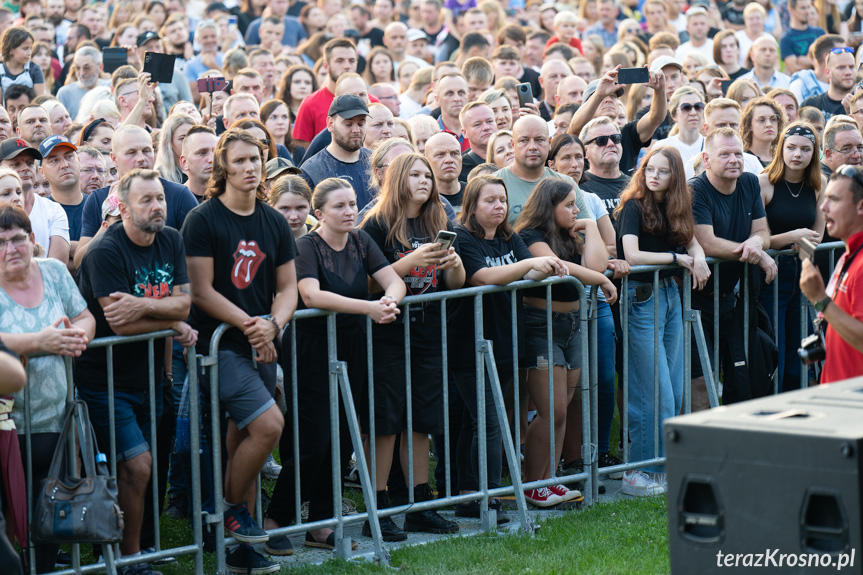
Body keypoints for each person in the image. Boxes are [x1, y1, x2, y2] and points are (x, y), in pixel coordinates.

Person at [264, 177, 404, 554]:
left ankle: (321, 524)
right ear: (319, 213)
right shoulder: (306, 246)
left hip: (354, 345)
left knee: (343, 438)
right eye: (340, 206)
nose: (349, 211)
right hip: (311, 348)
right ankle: (275, 518)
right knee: (313, 441)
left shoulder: (361, 240)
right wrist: (371, 308)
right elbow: (311, 294)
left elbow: (393, 280)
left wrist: (389, 300)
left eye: (353, 203)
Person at [181, 129, 297, 573]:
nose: (252, 167)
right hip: (221, 347)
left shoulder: (272, 220)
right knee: (269, 427)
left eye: (258, 159)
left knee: (242, 442)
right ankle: (232, 508)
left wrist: (272, 324)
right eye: (242, 160)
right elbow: (201, 290)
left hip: (263, 344)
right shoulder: (204, 219)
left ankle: (240, 550)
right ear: (223, 167)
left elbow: (287, 289)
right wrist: (249, 325)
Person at [75, 168, 196, 575]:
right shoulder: (103, 252)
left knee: (143, 467)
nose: (157, 206)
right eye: (146, 200)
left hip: (147, 376)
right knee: (136, 465)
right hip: (101, 380)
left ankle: (134, 548)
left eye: (160, 197)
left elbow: (183, 305)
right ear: (122, 208)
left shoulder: (172, 240)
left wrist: (148, 307)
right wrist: (171, 320)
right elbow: (119, 324)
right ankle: (128, 559)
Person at [361, 152, 464, 538]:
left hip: (427, 332)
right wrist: (412, 259)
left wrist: (451, 262)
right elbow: (369, 284)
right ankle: (380, 504)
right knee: (385, 422)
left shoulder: (436, 219)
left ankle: (420, 503)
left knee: (423, 419)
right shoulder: (375, 224)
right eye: (416, 174)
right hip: (388, 334)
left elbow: (456, 284)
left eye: (428, 175)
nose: (424, 181)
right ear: (398, 179)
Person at [451, 174, 568, 508]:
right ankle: (485, 496)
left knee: (477, 422)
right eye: (490, 200)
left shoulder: (508, 236)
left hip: (505, 342)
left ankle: (468, 493)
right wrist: (531, 263)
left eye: (502, 200)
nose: (499, 206)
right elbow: (482, 277)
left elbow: (526, 275)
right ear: (471, 206)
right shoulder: (463, 237)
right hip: (471, 343)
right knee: (488, 422)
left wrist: (542, 268)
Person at [0, 199, 94, 574]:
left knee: (51, 511)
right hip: (8, 428)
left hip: (57, 421)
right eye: (1, 241)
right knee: (10, 516)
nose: (11, 248)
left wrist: (78, 337)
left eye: (18, 238)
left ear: (33, 239)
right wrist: (39, 342)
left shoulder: (55, 271)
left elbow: (84, 315)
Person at [514, 177, 617, 506]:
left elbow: (596, 262)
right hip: (541, 324)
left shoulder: (573, 231)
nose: (576, 210)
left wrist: (589, 226)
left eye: (576, 204)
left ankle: (550, 479)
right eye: (569, 205)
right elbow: (563, 270)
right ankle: (532, 485)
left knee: (563, 408)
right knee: (552, 409)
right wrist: (600, 279)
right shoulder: (530, 236)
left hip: (574, 323)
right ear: (549, 208)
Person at [614, 146, 710, 495]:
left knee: (673, 387)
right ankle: (637, 473)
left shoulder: (677, 205)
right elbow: (632, 254)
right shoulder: (632, 206)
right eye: (649, 169)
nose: (653, 175)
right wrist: (678, 258)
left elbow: (694, 242)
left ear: (675, 177)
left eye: (662, 171)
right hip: (642, 298)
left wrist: (697, 258)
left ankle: (662, 468)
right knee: (652, 391)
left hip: (670, 294)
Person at [690, 127, 777, 410]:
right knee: (701, 380)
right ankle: (701, 447)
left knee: (739, 375)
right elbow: (708, 243)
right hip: (693, 299)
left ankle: (732, 443)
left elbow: (763, 231)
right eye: (724, 154)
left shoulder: (750, 183)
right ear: (706, 159)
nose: (733, 160)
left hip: (731, 299)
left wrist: (755, 243)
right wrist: (758, 256)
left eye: (738, 153)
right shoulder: (695, 189)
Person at [758, 122, 825, 392]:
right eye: (792, 147)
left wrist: (803, 246)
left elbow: (816, 237)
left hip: (801, 274)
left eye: (805, 149)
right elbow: (756, 239)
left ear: (814, 154)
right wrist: (792, 237)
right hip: (771, 274)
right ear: (781, 149)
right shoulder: (764, 183)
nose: (797, 154)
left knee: (799, 352)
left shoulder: (819, 186)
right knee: (776, 352)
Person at [75, 125, 198, 270]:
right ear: (114, 159)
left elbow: (197, 258)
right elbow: (80, 262)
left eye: (146, 151)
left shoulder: (180, 195)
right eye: (131, 153)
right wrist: (111, 221)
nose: (141, 159)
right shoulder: (98, 199)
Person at [800, 165, 863, 383]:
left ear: (860, 206)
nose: (824, 207)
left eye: (834, 200)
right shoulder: (848, 255)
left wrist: (819, 299)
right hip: (839, 394)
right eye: (825, 199)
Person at [494, 115, 589, 224]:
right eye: (524, 140)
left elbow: (585, 230)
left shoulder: (567, 183)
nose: (532, 147)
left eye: (539, 140)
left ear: (549, 143)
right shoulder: (494, 183)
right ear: (513, 144)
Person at [0, 138, 69, 263]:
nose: (25, 168)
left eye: (30, 163)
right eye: (16, 164)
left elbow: (55, 267)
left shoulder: (53, 210)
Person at [301, 94, 375, 210]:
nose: (356, 130)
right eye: (348, 124)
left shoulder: (377, 161)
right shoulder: (311, 170)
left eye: (361, 124)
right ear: (330, 124)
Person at [291, 38, 361, 148]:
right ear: (325, 66)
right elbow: (301, 149)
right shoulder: (310, 103)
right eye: (340, 61)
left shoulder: (372, 101)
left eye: (351, 61)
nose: (347, 66)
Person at [39, 135, 83, 271]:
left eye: (69, 156)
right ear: (42, 172)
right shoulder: (40, 211)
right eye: (54, 160)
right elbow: (47, 268)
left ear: (79, 161)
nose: (64, 165)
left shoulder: (98, 204)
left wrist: (63, 247)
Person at [801, 47, 856, 122]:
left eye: (851, 67)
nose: (848, 72)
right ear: (827, 72)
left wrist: (855, 113)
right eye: (841, 67)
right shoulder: (811, 105)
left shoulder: (860, 104)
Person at [655, 88, 705, 166]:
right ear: (674, 115)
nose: (693, 113)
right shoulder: (662, 147)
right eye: (686, 107)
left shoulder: (712, 146)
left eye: (698, 106)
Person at [779, 0, 824, 74]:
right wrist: (818, 62)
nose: (807, 12)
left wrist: (805, 60)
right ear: (791, 10)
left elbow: (828, 60)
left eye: (808, 7)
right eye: (803, 8)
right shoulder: (786, 39)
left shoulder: (820, 32)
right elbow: (794, 69)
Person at [0, 26, 45, 97]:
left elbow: (40, 99)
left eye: (30, 48)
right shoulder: (1, 71)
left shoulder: (34, 70)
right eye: (25, 49)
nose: (29, 53)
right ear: (10, 49)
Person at [741, 96, 785, 166]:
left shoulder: (783, 158)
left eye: (773, 119)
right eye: (761, 120)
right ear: (749, 125)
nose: (769, 124)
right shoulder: (743, 159)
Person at [178, 126, 217, 202]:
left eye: (215, 152)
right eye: (202, 153)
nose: (211, 159)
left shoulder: (231, 200)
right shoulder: (175, 202)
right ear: (184, 162)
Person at [458, 101, 495, 181]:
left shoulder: (511, 157)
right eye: (477, 124)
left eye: (489, 121)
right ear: (464, 133)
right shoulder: (459, 169)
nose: (486, 127)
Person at [269, 174, 311, 240]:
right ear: (272, 207)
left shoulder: (323, 238)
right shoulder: (260, 240)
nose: (293, 217)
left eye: (300, 207)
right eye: (284, 208)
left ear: (310, 205)